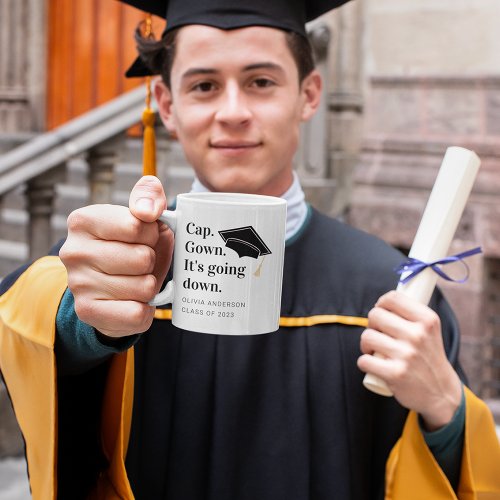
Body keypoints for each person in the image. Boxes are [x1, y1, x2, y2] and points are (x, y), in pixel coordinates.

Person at [1, 0, 499, 498]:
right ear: (166, 103)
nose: (233, 113)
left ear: (308, 95)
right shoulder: (117, 265)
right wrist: (82, 322)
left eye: (261, 82)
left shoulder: (391, 289)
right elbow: (26, 326)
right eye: (204, 86)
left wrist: (447, 412)